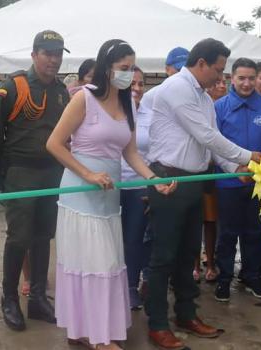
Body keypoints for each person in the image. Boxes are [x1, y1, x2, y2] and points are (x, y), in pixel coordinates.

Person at [47, 39, 175, 350]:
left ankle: (84, 328)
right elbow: (53, 144)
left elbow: (130, 153)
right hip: (80, 193)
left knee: (103, 261)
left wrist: (153, 179)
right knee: (92, 261)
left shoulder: (128, 104)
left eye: (131, 68)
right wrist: (88, 174)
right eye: (123, 68)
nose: (129, 75)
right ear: (106, 69)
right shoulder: (83, 99)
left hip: (108, 195)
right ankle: (96, 337)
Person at [145, 38, 261, 349]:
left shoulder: (204, 98)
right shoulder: (176, 88)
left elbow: (212, 142)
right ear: (201, 64)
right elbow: (206, 134)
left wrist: (234, 168)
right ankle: (157, 323)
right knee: (163, 257)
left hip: (194, 181)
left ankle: (186, 314)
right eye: (218, 70)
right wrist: (247, 157)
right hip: (168, 181)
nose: (220, 77)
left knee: (187, 256)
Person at [0, 30, 71, 331]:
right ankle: (9, 298)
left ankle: (37, 298)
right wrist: (3, 170)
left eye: (58, 54)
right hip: (21, 171)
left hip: (51, 171)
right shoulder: (15, 85)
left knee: (43, 235)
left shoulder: (61, 91)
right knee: (19, 236)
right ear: (35, 55)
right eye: (48, 53)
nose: (54, 59)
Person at [213, 57, 261, 302]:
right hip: (228, 182)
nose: (247, 83)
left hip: (259, 181)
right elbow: (214, 144)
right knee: (227, 233)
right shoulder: (219, 108)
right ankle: (223, 279)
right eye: (241, 78)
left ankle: (252, 275)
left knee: (255, 231)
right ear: (232, 78)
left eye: (251, 78)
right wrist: (235, 168)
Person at [120, 66, 152, 310]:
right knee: (110, 240)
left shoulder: (150, 115)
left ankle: (130, 287)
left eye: (141, 84)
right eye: (132, 84)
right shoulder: (113, 111)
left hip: (139, 185)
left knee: (134, 240)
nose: (137, 89)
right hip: (109, 184)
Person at [194, 72, 228, 284]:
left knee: (210, 219)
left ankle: (211, 263)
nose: (221, 85)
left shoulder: (211, 105)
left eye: (225, 81)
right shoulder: (192, 103)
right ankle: (195, 264)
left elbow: (218, 141)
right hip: (191, 171)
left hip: (211, 169)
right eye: (218, 81)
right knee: (194, 220)